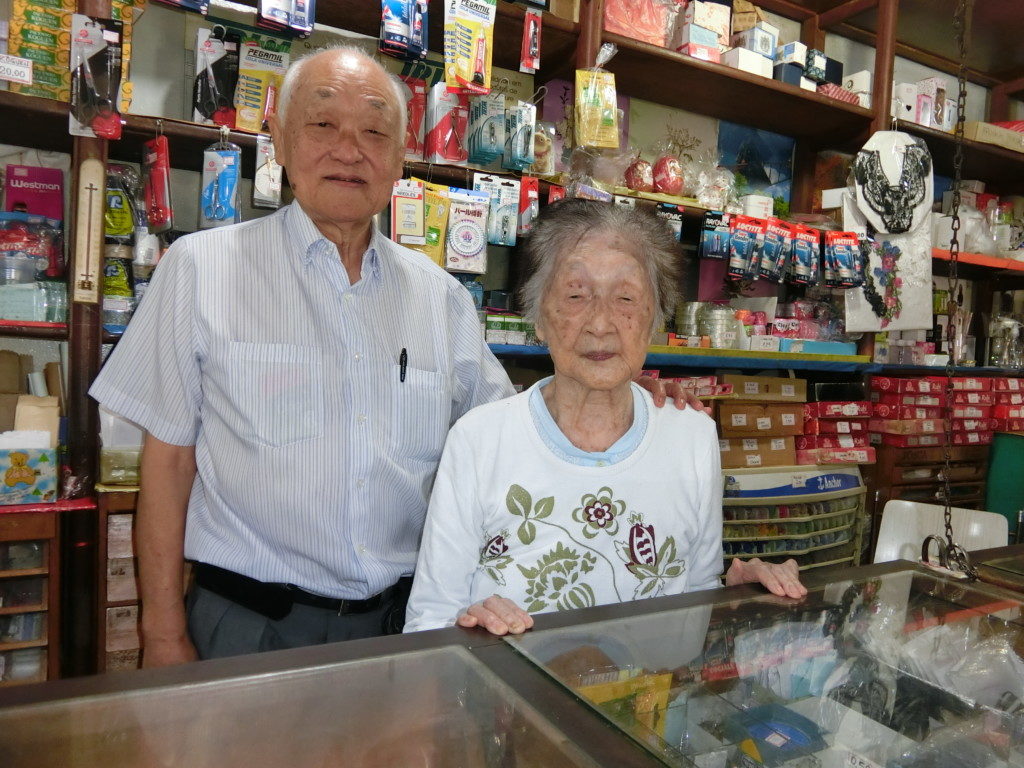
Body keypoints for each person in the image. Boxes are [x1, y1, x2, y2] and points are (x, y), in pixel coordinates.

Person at [89, 46, 698, 666]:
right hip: (247, 627)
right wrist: (160, 631)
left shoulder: (441, 299)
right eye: (323, 124)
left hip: (399, 631)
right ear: (276, 135)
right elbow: (165, 464)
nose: (350, 150)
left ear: (402, 156)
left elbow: (517, 434)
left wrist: (626, 393)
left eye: (376, 131)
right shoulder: (200, 270)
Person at [404, 200, 807, 636]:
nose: (601, 323)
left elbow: (694, 595)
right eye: (576, 295)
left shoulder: (692, 435)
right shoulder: (478, 439)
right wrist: (468, 625)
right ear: (537, 317)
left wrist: (732, 595)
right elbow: (429, 620)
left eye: (626, 298)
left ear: (655, 317)